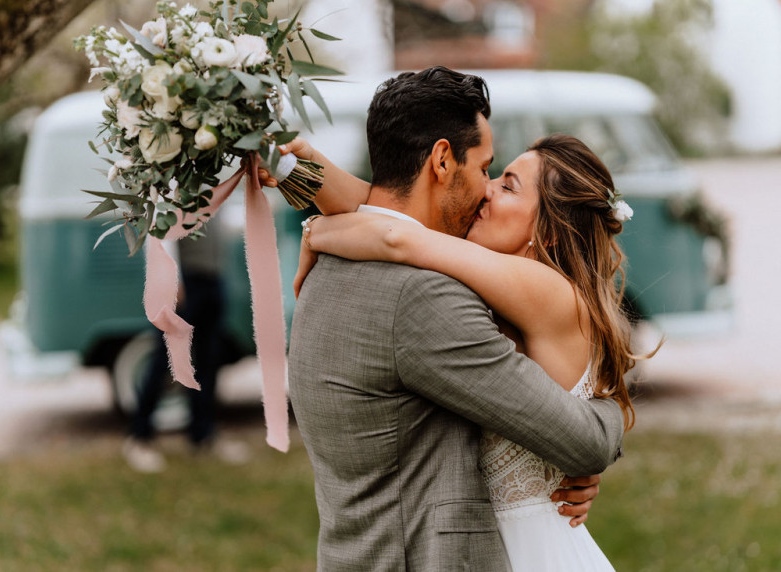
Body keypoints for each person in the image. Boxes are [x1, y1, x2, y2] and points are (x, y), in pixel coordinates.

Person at [278, 67, 624, 571]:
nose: (486, 191)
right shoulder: (425, 296)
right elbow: (395, 225)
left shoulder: (346, 274)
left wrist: (319, 227)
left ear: (547, 229)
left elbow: (399, 232)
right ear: (442, 159)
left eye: (505, 184)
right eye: (490, 171)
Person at [123, 218, 250, 473]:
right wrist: (172, 278)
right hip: (185, 282)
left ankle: (202, 434)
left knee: (207, 360)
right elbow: (159, 230)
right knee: (165, 361)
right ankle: (140, 437)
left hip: (212, 279)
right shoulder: (172, 183)